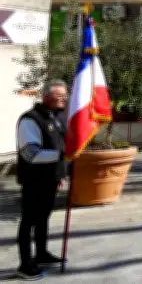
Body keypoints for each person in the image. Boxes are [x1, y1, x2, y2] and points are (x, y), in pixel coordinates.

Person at [16, 80, 69, 280]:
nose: (63, 99)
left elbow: (60, 144)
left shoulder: (57, 117)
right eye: (60, 96)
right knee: (28, 221)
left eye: (65, 95)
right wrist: (61, 155)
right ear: (46, 96)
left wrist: (60, 174)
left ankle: (42, 253)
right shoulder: (30, 120)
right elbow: (30, 154)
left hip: (50, 179)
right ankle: (25, 264)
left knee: (43, 219)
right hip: (34, 180)